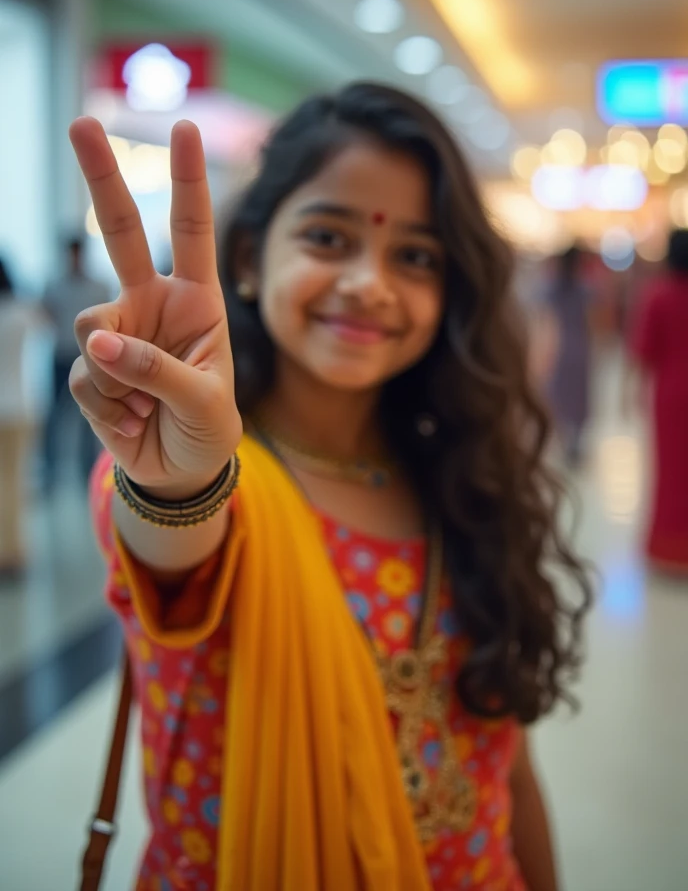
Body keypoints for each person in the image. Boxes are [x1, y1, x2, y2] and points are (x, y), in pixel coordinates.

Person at [69, 85, 591, 891]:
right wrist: (178, 482)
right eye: (327, 237)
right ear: (248, 259)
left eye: (415, 256)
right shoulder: (191, 472)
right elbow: (170, 536)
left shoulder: (463, 474)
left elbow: (510, 766)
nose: (368, 283)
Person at [629, 229, 688, 574]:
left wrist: (630, 391)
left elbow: (643, 351)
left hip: (669, 394)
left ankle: (667, 548)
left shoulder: (658, 296)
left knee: (669, 472)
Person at [42, 237, 110, 490]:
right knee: (55, 413)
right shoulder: (54, 285)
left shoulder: (98, 286)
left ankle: (88, 471)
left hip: (88, 356)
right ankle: (51, 471)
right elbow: (46, 312)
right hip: (61, 355)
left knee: (89, 415)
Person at [0, 257, 47, 577]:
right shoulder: (19, 312)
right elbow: (48, 323)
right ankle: (13, 553)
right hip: (19, 408)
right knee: (15, 484)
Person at [540, 246, 593, 466]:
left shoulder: (550, 291)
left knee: (558, 397)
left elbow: (545, 324)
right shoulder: (585, 290)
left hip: (558, 350)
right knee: (578, 399)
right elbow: (595, 324)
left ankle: (564, 443)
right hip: (579, 350)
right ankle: (574, 444)